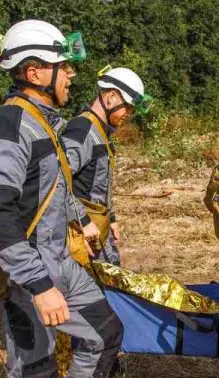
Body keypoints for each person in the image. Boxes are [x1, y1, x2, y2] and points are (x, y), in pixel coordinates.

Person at [0, 20, 123, 378]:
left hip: (60, 259)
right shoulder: (6, 124)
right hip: (27, 271)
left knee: (106, 333)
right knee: (33, 370)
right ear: (36, 70)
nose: (72, 78)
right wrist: (39, 285)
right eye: (64, 68)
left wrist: (82, 218)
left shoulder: (48, 122)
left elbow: (54, 186)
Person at [60, 67, 152, 266]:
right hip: (81, 234)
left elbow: (96, 186)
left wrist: (111, 218)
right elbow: (56, 181)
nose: (129, 113)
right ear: (111, 97)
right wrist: (82, 222)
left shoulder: (101, 133)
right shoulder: (82, 130)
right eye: (126, 106)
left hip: (98, 230)